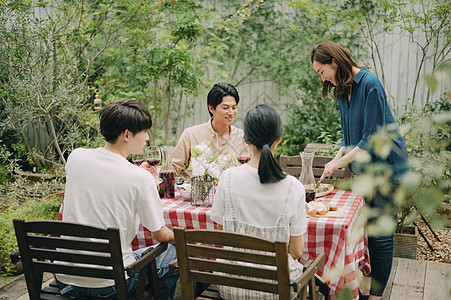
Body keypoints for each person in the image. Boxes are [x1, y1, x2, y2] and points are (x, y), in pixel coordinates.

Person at [310, 40, 409, 300]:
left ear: (334, 61)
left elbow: (369, 141)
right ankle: (366, 288)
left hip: (388, 169)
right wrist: (335, 158)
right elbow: (347, 138)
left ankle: (375, 296)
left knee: (381, 237)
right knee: (366, 231)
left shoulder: (370, 83)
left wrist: (336, 164)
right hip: (366, 172)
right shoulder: (343, 89)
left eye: (322, 72)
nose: (323, 79)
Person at [57, 99, 179, 300]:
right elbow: (160, 235)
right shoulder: (140, 179)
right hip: (110, 285)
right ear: (127, 134)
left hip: (66, 279)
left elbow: (105, 175)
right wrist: (185, 238)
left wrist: (137, 173)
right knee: (171, 252)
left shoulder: (76, 157)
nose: (148, 137)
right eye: (144, 132)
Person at [210, 104, 307, 299]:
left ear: (246, 140)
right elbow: (296, 252)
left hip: (230, 288)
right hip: (276, 291)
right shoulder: (293, 187)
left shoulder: (227, 178)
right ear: (278, 140)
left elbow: (221, 233)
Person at [172, 83, 246, 177]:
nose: (231, 113)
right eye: (225, 108)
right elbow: (173, 168)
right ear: (211, 108)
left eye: (234, 108)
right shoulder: (191, 135)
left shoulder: (242, 137)